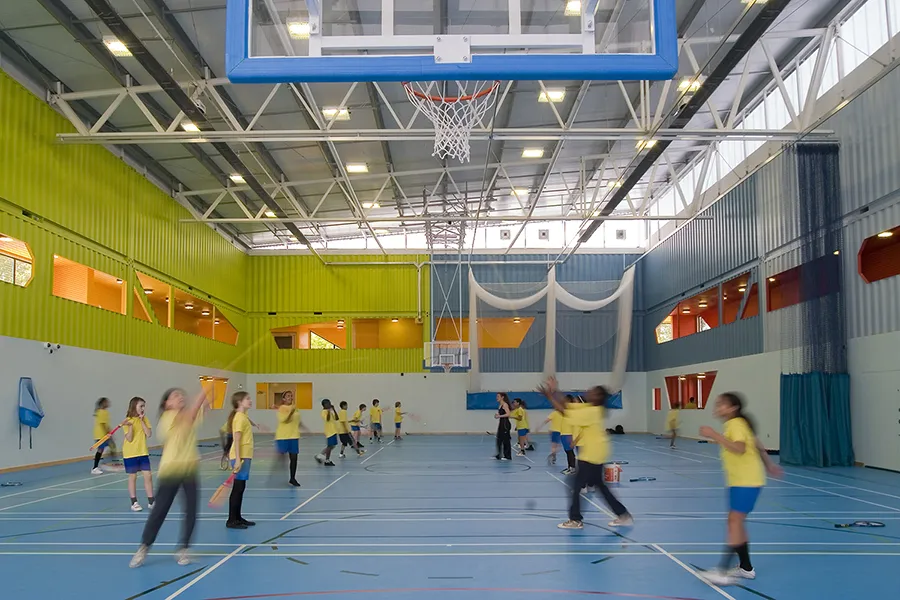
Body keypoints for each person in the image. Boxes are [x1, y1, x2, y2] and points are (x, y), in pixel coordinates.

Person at [699, 392, 782, 586]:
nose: (717, 407)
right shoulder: (740, 423)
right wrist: (769, 464)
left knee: (734, 522)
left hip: (746, 481)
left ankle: (722, 571)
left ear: (733, 408)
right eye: (717, 404)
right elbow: (757, 444)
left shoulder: (735, 424)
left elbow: (740, 448)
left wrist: (714, 435)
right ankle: (745, 568)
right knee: (735, 522)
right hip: (741, 481)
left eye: (722, 404)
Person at [538, 377, 633, 529]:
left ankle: (575, 520)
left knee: (575, 486)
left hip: (591, 455)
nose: (589, 392)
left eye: (593, 392)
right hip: (595, 453)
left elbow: (564, 411)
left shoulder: (593, 411)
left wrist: (550, 395)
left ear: (599, 397)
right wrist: (555, 390)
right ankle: (623, 515)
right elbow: (566, 406)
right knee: (600, 486)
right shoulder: (589, 407)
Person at [129, 388, 208, 568]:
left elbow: (201, 411)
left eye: (182, 394)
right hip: (171, 469)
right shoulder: (167, 418)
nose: (180, 396)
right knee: (160, 511)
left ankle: (183, 548)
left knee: (191, 511)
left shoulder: (188, 415)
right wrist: (205, 390)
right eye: (175, 395)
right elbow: (190, 416)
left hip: (190, 469)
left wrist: (210, 395)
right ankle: (144, 547)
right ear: (167, 404)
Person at [227, 391, 256, 530]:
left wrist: (255, 424)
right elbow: (237, 439)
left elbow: (246, 419)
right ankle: (231, 520)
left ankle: (238, 517)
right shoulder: (239, 417)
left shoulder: (243, 415)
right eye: (247, 399)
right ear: (239, 402)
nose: (250, 400)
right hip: (240, 457)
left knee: (241, 487)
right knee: (237, 488)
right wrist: (238, 459)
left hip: (245, 456)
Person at [122, 397, 154, 512]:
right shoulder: (127, 421)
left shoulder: (145, 419)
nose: (143, 408)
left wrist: (142, 421)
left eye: (144, 406)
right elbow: (129, 438)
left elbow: (148, 434)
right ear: (134, 406)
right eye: (141, 406)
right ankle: (134, 502)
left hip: (143, 452)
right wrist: (130, 426)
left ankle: (151, 501)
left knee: (148, 476)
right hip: (130, 453)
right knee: (133, 477)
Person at [275, 391, 306, 486]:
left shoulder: (295, 408)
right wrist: (291, 412)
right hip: (283, 436)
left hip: (294, 436)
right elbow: (285, 420)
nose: (290, 397)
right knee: (281, 458)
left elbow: (298, 421)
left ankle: (292, 478)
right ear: (284, 399)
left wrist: (305, 428)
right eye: (288, 396)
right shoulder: (282, 408)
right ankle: (277, 477)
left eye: (291, 396)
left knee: (294, 458)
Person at [91, 398, 112, 474]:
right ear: (103, 403)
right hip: (100, 435)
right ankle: (94, 468)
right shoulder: (100, 412)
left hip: (104, 434)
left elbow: (106, 423)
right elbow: (103, 424)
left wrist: (109, 431)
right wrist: (107, 433)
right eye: (106, 402)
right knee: (100, 450)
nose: (108, 403)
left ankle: (98, 465)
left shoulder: (105, 412)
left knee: (103, 449)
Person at [316, 399, 339, 466]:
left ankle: (323, 458)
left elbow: (337, 418)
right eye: (328, 403)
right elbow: (327, 419)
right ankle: (324, 458)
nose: (329, 404)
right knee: (330, 446)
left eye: (330, 403)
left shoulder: (330, 412)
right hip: (329, 431)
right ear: (324, 405)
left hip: (334, 430)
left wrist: (334, 410)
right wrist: (329, 411)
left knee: (332, 446)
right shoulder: (324, 412)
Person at [559, 394, 579, 475]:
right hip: (564, 434)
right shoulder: (567, 410)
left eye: (565, 401)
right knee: (567, 451)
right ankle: (570, 467)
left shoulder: (571, 411)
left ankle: (572, 468)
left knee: (570, 452)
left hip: (568, 434)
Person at [494, 393, 512, 461]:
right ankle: (499, 454)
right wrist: (497, 415)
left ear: (502, 397)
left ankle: (508, 456)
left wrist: (499, 416)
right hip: (501, 424)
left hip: (505, 424)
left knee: (506, 440)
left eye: (498, 396)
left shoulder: (505, 405)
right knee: (499, 439)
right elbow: (501, 413)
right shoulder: (500, 405)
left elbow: (508, 414)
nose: (497, 397)